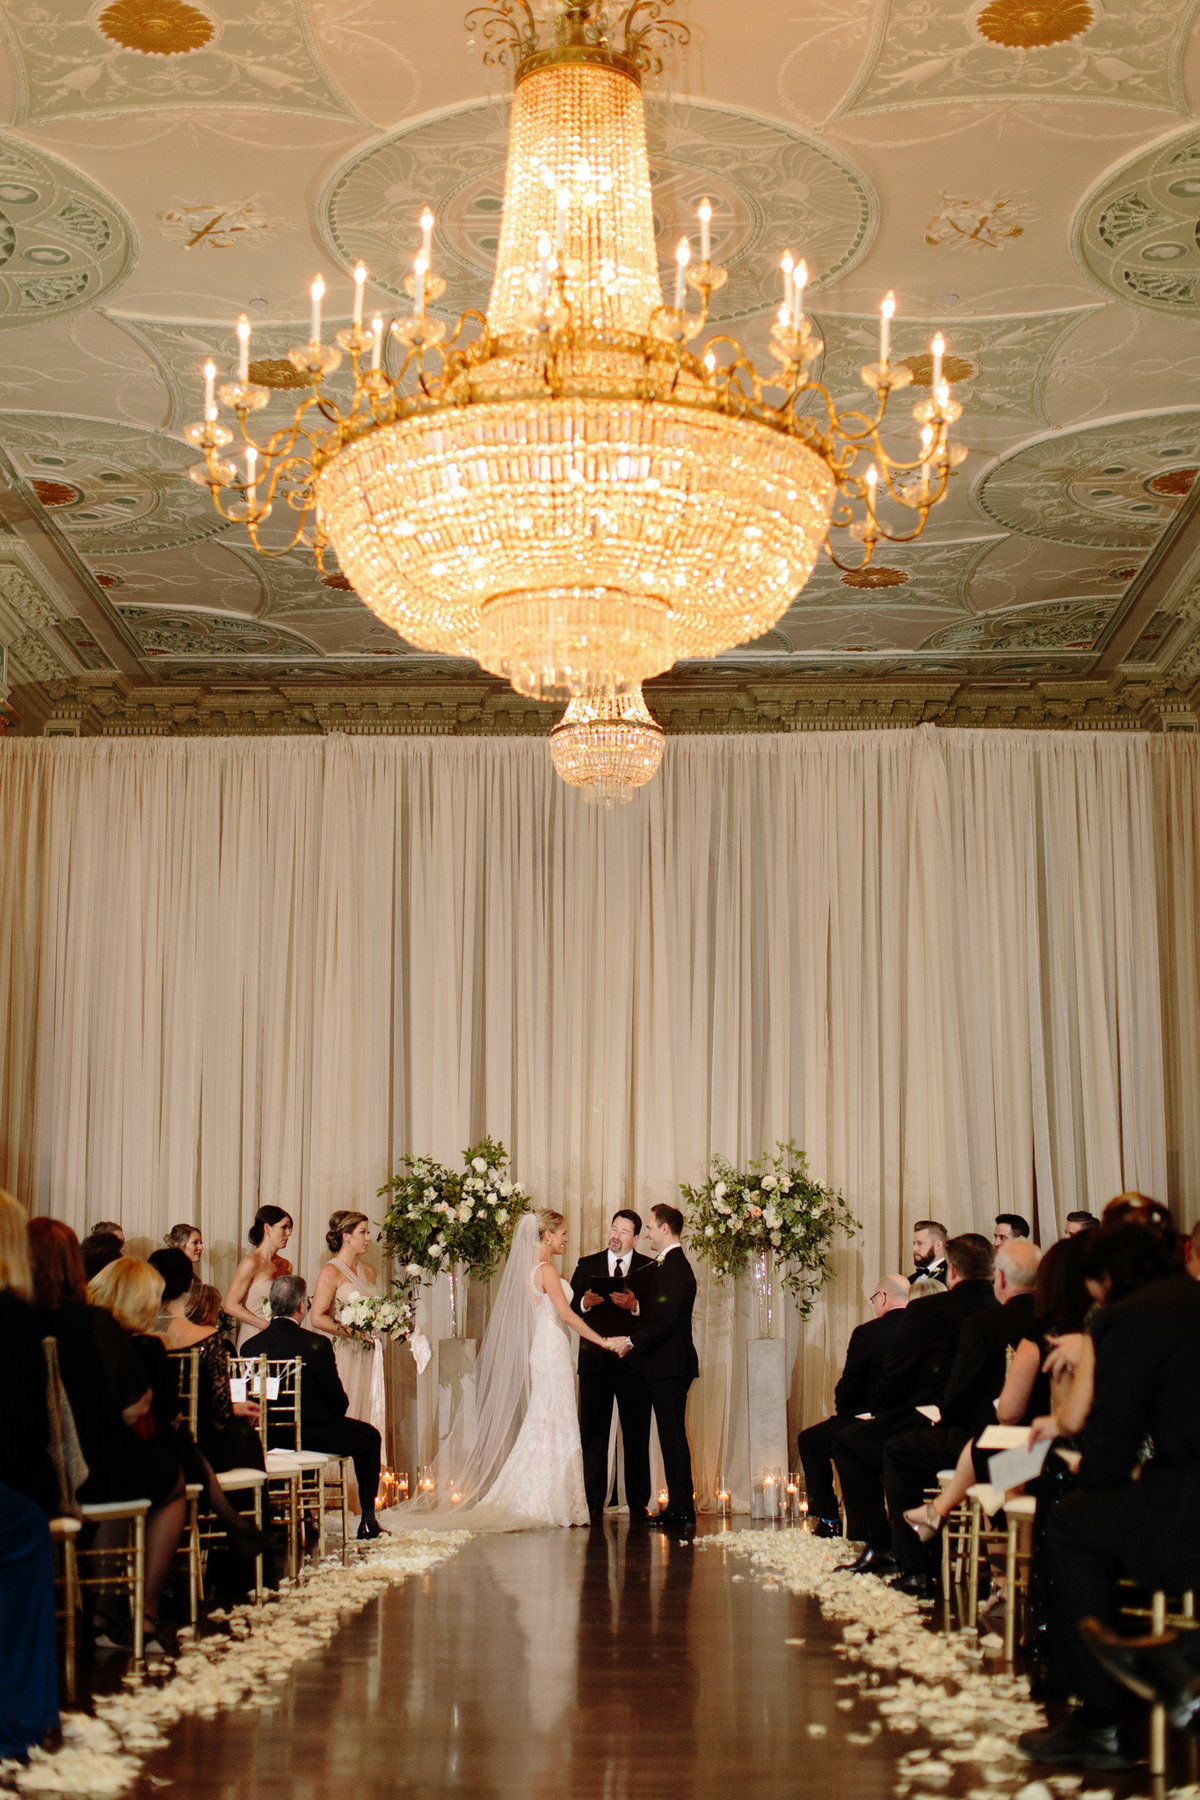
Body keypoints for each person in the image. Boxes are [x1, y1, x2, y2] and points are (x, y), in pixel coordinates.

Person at [1017, 1217, 1200, 1770]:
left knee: (1072, 1518)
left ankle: (1101, 1718)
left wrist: (1089, 1469)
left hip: (1187, 1500)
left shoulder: (1129, 1318)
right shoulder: (1190, 1299)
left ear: (1105, 1279)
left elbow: (1111, 1452)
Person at [29, 1220, 185, 1656]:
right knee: (169, 1484)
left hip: (38, 1468)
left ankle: (99, 1610)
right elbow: (133, 1407)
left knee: (124, 1481)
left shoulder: (25, 1319)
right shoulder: (93, 1322)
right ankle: (145, 1615)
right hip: (94, 1464)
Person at [834, 1232, 997, 1575]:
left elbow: (895, 1375)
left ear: (951, 1271)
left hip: (940, 1424)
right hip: (998, 1432)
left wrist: (885, 1409)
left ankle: (888, 1549)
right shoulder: (1002, 1307)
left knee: (854, 1442)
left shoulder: (929, 1308)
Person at [92, 1253, 269, 1567]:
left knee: (186, 1444)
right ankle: (240, 1540)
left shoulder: (118, 1336)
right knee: (237, 1439)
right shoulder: (149, 1345)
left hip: (120, 1444)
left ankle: (234, 1528)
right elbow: (209, 1414)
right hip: (147, 1446)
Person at [885, 1237, 1040, 1591]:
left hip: (993, 1440)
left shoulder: (987, 1323)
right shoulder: (1053, 1321)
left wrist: (945, 1415)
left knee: (898, 1449)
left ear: (1001, 1279)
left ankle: (915, 1567)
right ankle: (1003, 1577)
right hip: (1038, 1441)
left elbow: (957, 1395)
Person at [242, 1274, 387, 1541]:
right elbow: (338, 1403)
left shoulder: (250, 1346)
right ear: (300, 1307)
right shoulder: (316, 1345)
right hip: (313, 1435)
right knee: (369, 1437)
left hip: (267, 1438)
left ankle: (302, 1518)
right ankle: (368, 1520)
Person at [796, 1273, 910, 1538]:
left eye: (873, 1298)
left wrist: (845, 1411)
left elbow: (848, 1387)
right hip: (910, 1424)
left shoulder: (868, 1333)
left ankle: (830, 1519)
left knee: (810, 1440)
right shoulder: (921, 1330)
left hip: (865, 1424)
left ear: (882, 1297)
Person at [614, 1204, 699, 1530]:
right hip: (666, 1365)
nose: (646, 1233)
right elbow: (659, 1312)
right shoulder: (669, 1266)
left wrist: (630, 1341)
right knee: (671, 1437)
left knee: (674, 1437)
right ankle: (678, 1506)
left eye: (649, 1227)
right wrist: (637, 1307)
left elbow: (665, 1322)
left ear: (665, 1229)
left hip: (671, 1366)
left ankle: (682, 1509)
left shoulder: (675, 1267)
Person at [570, 1209, 655, 1522]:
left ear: (635, 1237)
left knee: (636, 1436)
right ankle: (593, 1503)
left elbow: (658, 1314)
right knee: (593, 1435)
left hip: (634, 1365)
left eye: (623, 1231)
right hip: (595, 1363)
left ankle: (637, 1504)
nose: (616, 1235)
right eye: (613, 1228)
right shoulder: (587, 1264)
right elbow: (569, 1308)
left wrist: (635, 1306)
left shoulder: (649, 1267)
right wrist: (584, 1303)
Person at [151, 1249, 265, 1476]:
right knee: (247, 1436)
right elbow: (220, 1413)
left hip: (156, 1439)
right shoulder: (206, 1338)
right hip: (198, 1441)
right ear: (189, 1286)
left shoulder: (142, 1332)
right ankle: (251, 1508)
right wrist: (236, 1408)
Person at [309, 1212, 387, 1487]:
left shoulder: (368, 1271)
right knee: (349, 1410)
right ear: (346, 1236)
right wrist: (351, 1332)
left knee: (368, 1412)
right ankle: (341, 1491)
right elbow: (317, 1316)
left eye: (367, 1232)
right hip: (344, 1352)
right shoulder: (330, 1272)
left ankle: (367, 1490)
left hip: (368, 1353)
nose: (368, 1238)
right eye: (363, 1232)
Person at [223, 1206, 294, 1348]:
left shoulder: (286, 1266)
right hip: (254, 1333)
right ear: (267, 1228)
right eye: (284, 1228)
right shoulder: (251, 1262)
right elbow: (230, 1306)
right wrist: (265, 1325)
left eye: (290, 1228)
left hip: (279, 1336)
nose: (289, 1233)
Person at [909, 1219, 948, 1285]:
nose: (914, 1249)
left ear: (938, 1245)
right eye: (914, 1244)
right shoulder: (910, 1280)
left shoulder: (951, 1276)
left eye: (920, 1243)